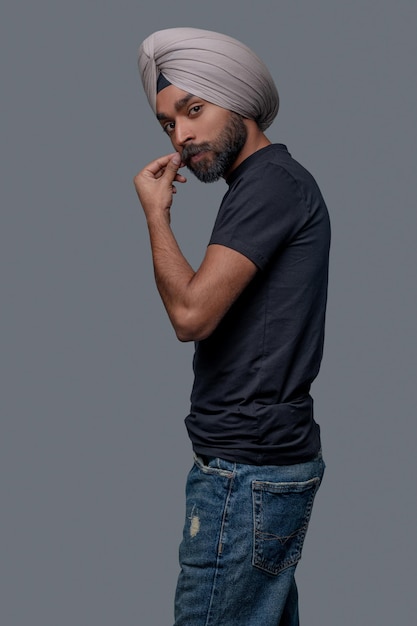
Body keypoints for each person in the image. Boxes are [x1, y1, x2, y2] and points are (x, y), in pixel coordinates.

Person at [134, 27, 330, 626]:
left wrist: (156, 214)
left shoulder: (269, 185)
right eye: (169, 123)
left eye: (194, 110)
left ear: (239, 100)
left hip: (247, 475)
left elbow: (191, 316)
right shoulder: (264, 184)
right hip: (260, 469)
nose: (182, 134)